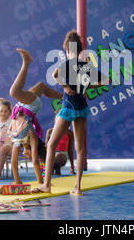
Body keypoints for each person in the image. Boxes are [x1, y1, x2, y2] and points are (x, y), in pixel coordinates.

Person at [35, 30, 109, 195]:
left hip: (68, 108)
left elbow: (55, 75)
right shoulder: (85, 66)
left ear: (67, 50)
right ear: (81, 50)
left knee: (52, 144)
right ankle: (77, 187)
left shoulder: (67, 64)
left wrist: (65, 87)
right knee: (80, 148)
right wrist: (85, 86)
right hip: (81, 108)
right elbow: (107, 80)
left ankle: (46, 185)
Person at [9, 48, 63, 185]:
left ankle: (64, 96)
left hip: (23, 105)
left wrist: (17, 182)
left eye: (25, 155)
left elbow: (13, 164)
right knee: (16, 91)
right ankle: (26, 63)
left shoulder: (17, 139)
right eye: (26, 155)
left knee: (40, 87)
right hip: (30, 105)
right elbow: (34, 161)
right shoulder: (31, 137)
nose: (24, 156)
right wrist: (40, 181)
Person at [45, 110, 75, 175]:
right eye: (57, 120)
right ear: (55, 120)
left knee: (58, 156)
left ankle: (56, 170)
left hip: (62, 156)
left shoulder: (69, 133)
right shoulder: (50, 132)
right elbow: (46, 148)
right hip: (52, 154)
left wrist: (72, 167)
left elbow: (70, 150)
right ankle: (51, 171)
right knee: (52, 157)